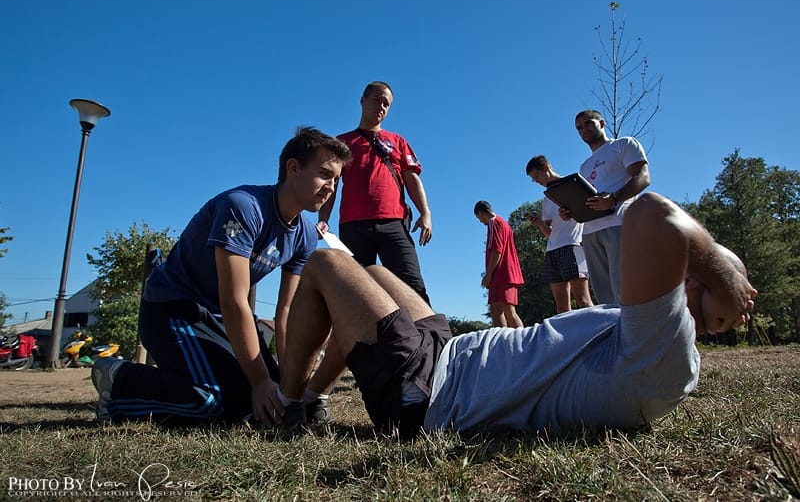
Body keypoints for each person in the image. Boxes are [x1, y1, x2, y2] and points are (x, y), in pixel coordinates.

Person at [276, 192, 756, 436]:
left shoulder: (665, 353)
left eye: (705, 283)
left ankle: (289, 402)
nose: (688, 276)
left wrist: (725, 272)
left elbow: (653, 213)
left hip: (431, 390)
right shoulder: (654, 341)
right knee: (374, 275)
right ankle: (316, 397)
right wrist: (717, 276)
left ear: (724, 314)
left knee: (326, 262)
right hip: (453, 353)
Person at [90, 126, 352, 426]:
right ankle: (120, 381)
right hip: (172, 309)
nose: (331, 187)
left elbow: (287, 313)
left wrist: (286, 386)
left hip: (219, 320)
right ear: (293, 168)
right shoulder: (242, 207)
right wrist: (259, 382)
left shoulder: (305, 234)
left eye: (336, 180)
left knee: (270, 400)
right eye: (324, 174)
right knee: (216, 403)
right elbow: (234, 300)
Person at [317, 81, 432, 304]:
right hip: (353, 227)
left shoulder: (398, 141)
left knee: (412, 286)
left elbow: (411, 178)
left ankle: (427, 337)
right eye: (376, 100)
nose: (381, 107)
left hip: (393, 223)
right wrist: (323, 220)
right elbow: (332, 183)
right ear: (362, 100)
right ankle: (363, 339)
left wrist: (425, 213)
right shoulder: (342, 143)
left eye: (386, 104)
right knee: (357, 291)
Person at [560, 110, 651, 304]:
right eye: (579, 128)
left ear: (602, 123)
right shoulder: (585, 166)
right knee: (605, 299)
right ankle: (615, 334)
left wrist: (614, 199)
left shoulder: (623, 145)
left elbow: (643, 178)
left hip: (619, 225)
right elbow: (586, 199)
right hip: (590, 232)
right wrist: (571, 211)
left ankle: (638, 332)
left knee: (626, 290)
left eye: (587, 124)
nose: (583, 129)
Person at [526, 155, 594, 314]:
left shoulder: (573, 184)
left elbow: (587, 212)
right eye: (532, 179)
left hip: (573, 247)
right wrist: (539, 223)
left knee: (583, 300)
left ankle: (600, 334)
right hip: (552, 251)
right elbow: (549, 233)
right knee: (562, 308)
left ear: (547, 167)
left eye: (536, 176)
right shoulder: (547, 197)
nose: (536, 181)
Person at [473, 201, 524, 328]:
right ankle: (517, 341)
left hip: (502, 274)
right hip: (509, 273)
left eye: (478, 217)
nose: (480, 221)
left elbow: (497, 249)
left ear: (481, 213)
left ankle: (505, 343)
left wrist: (488, 274)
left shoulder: (494, 223)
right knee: (505, 310)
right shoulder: (504, 223)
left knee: (499, 310)